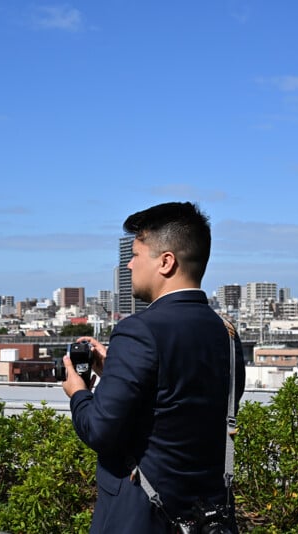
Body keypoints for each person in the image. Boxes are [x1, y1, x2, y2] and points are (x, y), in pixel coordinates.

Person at [62, 201, 246, 533]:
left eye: (134, 254)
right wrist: (117, 372)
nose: (129, 265)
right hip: (208, 517)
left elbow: (100, 430)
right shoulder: (227, 332)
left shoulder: (139, 330)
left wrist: (78, 392)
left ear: (165, 262)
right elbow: (180, 409)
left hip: (142, 516)